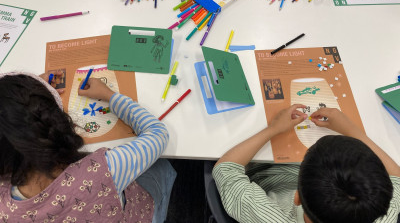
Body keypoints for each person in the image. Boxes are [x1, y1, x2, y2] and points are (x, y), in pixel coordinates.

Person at [0, 72, 176, 223]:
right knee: (162, 166)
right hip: (136, 214)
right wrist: (110, 96)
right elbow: (158, 134)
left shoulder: (4, 207)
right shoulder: (104, 170)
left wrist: (22, 100)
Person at [213, 104, 400, 223]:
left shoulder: (269, 217)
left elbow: (225, 168)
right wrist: (352, 130)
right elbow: (397, 177)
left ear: (297, 198)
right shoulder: (380, 214)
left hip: (268, 175)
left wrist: (274, 129)